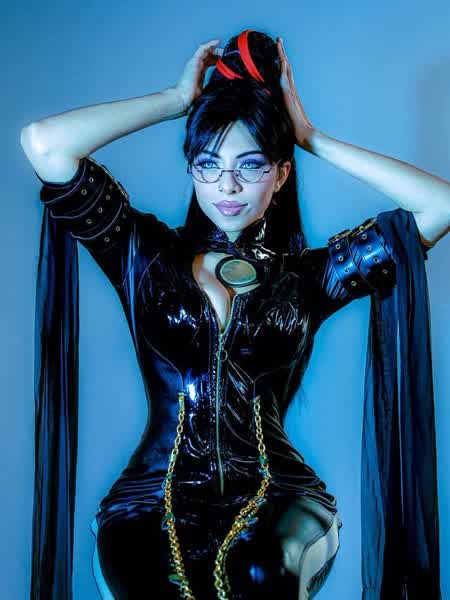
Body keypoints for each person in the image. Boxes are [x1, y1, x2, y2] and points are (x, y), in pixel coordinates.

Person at [21, 29, 447, 600]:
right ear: (191, 169)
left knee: (259, 576)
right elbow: (45, 144)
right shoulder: (142, 254)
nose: (227, 184)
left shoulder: (308, 277)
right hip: (151, 493)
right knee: (157, 584)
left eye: (250, 165)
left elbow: (440, 206)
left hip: (280, 493)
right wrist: (174, 101)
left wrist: (311, 137)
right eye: (208, 164)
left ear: (281, 174)